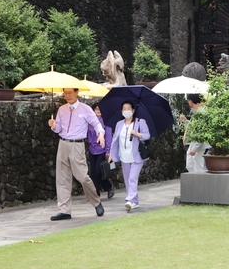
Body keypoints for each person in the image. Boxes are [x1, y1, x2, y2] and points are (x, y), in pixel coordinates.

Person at [47, 88, 106, 221]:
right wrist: (53, 126)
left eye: (70, 93)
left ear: (76, 92)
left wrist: (101, 134)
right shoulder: (61, 109)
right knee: (62, 178)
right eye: (65, 93)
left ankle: (96, 202)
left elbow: (96, 124)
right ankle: (64, 210)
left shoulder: (85, 108)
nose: (67, 95)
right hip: (63, 144)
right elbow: (59, 129)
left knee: (83, 177)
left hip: (77, 145)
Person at [108, 101, 151, 212]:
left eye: (128, 108)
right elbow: (114, 140)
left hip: (136, 156)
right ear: (122, 111)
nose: (126, 110)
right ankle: (135, 202)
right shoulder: (119, 124)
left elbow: (147, 135)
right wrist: (111, 154)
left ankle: (129, 199)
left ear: (133, 110)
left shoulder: (140, 122)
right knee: (127, 180)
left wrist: (137, 134)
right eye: (124, 108)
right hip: (124, 156)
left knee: (132, 178)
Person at [87, 103, 115, 198]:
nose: (98, 111)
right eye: (96, 109)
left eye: (100, 109)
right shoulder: (89, 122)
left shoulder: (106, 121)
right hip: (92, 149)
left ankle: (109, 186)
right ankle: (96, 194)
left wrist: (108, 150)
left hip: (102, 150)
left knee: (99, 171)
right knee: (93, 173)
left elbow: (108, 136)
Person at [179, 94, 210, 172]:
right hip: (194, 142)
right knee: (190, 165)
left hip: (199, 143)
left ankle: (201, 182)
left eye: (188, 100)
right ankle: (197, 181)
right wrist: (185, 121)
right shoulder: (197, 112)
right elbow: (194, 127)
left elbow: (200, 131)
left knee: (198, 166)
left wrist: (195, 148)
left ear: (191, 101)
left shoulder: (201, 113)